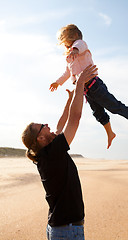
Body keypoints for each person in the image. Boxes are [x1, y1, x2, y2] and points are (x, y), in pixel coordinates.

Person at [22, 65, 98, 240]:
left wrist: (70, 99)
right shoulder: (51, 154)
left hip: (59, 228)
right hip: (67, 230)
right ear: (40, 138)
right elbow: (75, 118)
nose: (46, 125)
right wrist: (80, 85)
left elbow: (61, 123)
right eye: (42, 126)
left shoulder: (46, 154)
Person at [49, 24, 128, 149]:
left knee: (114, 106)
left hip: (95, 85)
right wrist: (58, 82)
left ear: (74, 37)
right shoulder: (70, 57)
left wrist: (75, 50)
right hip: (85, 91)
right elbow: (67, 73)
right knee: (98, 113)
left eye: (65, 41)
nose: (64, 44)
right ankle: (110, 133)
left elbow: (79, 45)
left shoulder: (80, 45)